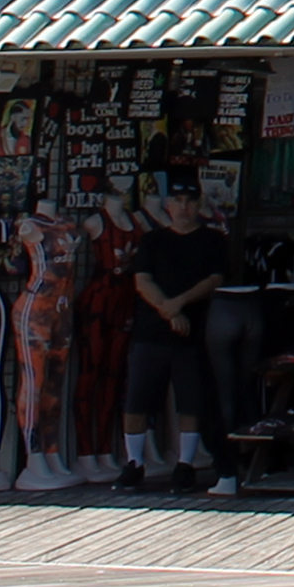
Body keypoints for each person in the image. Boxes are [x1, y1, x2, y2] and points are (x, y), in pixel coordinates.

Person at [122, 172, 233, 492]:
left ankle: (185, 464)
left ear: (199, 204)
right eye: (178, 201)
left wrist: (179, 304)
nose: (183, 207)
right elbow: (142, 281)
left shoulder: (213, 239)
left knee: (190, 401)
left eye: (189, 201)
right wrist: (167, 311)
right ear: (168, 204)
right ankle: (134, 463)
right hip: (151, 331)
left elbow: (215, 279)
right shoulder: (152, 240)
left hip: (193, 332)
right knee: (137, 400)